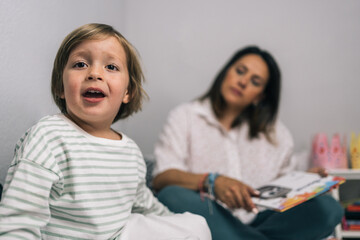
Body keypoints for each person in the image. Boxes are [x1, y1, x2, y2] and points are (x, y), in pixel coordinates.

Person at [0, 23, 211, 240]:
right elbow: (18, 221)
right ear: (60, 87)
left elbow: (146, 207)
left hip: (119, 233)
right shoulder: (48, 137)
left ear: (127, 92)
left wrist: (173, 226)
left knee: (195, 225)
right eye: (80, 64)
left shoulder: (129, 151)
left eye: (111, 67)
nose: (94, 73)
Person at [152, 46, 343, 240]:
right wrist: (212, 182)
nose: (243, 82)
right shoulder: (185, 116)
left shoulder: (277, 133)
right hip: (211, 217)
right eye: (240, 71)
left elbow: (283, 197)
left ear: (260, 96)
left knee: (328, 208)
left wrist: (304, 185)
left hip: (264, 220)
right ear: (226, 71)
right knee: (171, 195)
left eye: (255, 81)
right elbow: (162, 178)